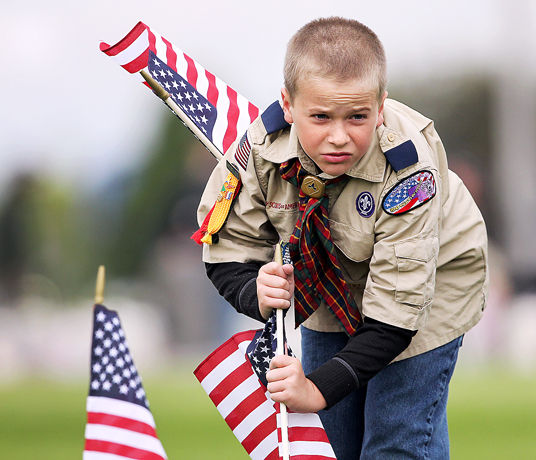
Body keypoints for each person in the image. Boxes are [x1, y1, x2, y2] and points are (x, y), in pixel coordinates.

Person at [194, 17, 488, 459]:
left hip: (427, 288)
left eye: (357, 117)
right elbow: (224, 248)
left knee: (396, 438)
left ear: (381, 106)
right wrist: (254, 291)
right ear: (288, 106)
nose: (338, 137)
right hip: (331, 283)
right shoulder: (259, 150)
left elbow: (396, 314)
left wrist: (316, 389)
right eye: (319, 117)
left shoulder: (408, 170)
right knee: (328, 444)